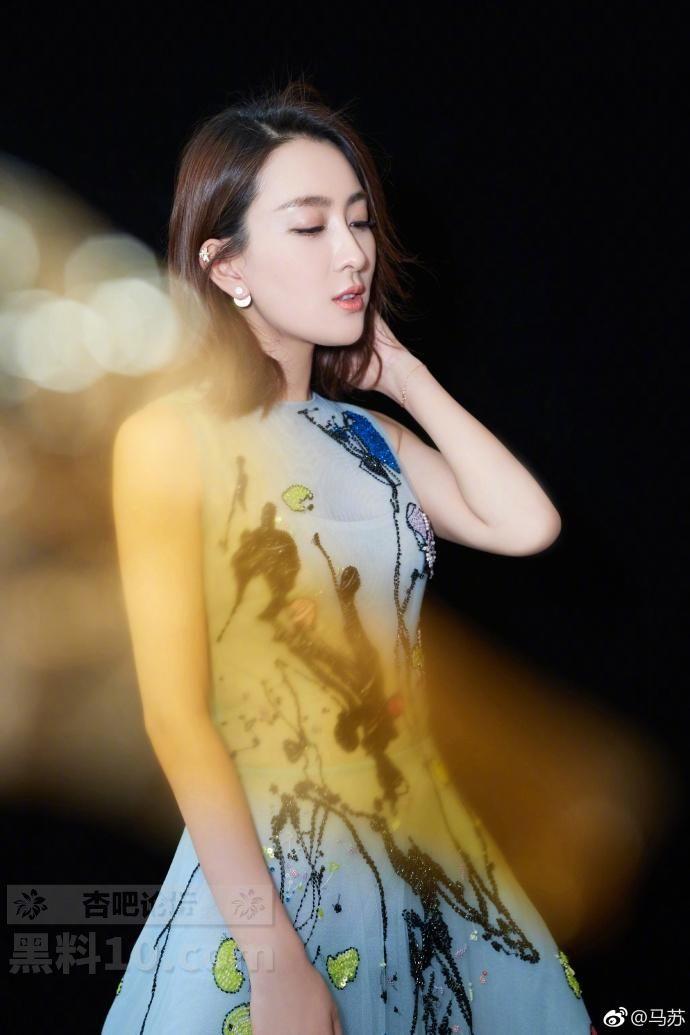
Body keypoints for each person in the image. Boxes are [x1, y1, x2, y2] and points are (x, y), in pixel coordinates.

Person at [101, 80, 597, 1035]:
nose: (353, 252)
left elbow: (526, 523)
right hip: (274, 865)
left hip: (430, 854)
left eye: (359, 221)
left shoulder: (370, 438)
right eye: (310, 225)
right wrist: (272, 954)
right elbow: (175, 714)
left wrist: (403, 373)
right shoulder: (169, 438)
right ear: (226, 264)